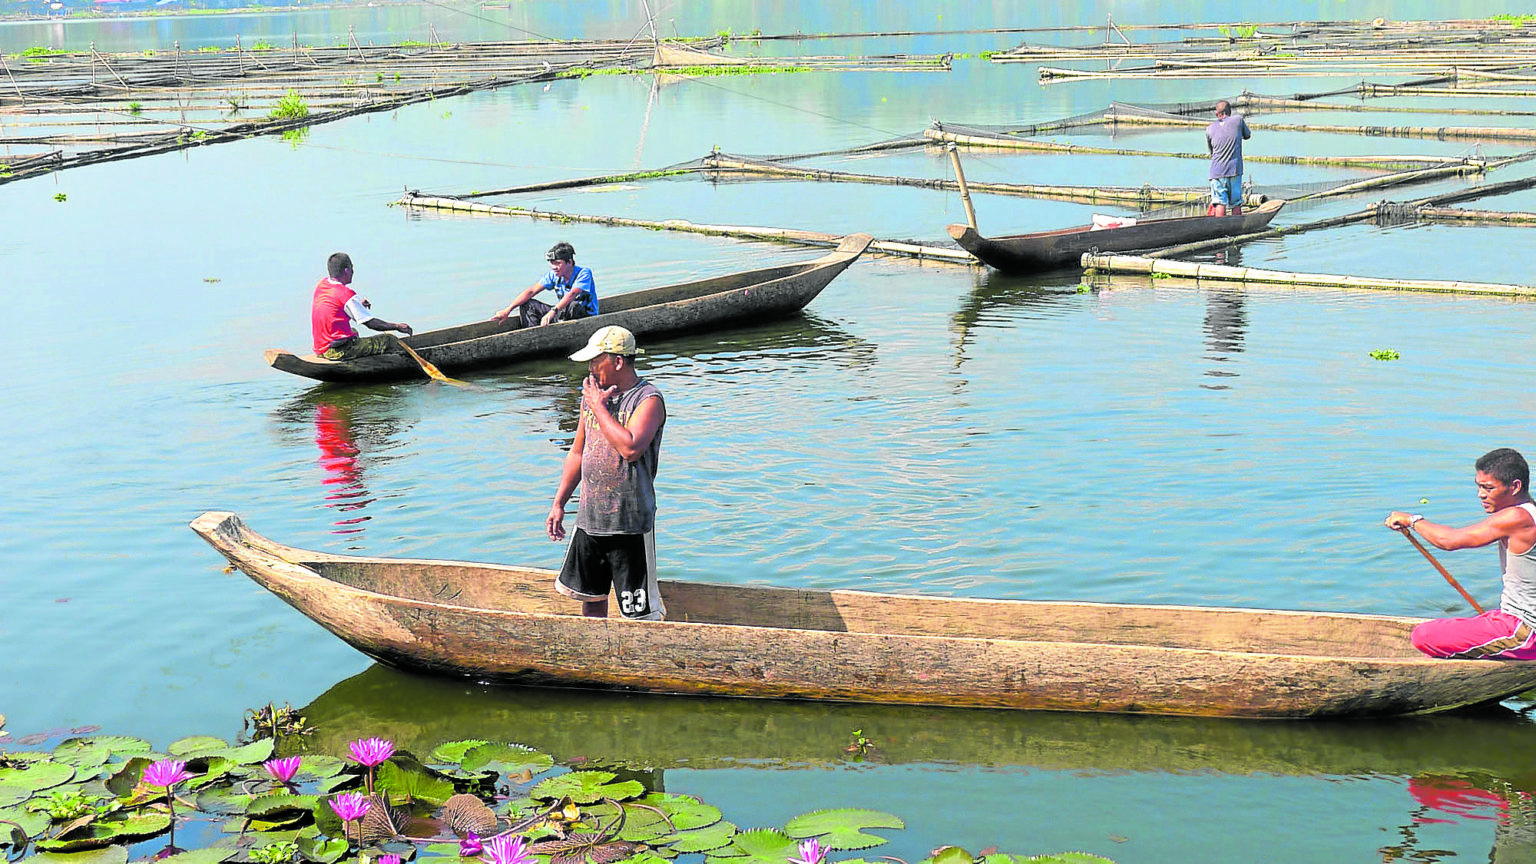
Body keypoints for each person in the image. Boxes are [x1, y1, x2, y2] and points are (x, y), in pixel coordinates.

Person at [546, 325, 667, 620]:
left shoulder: (648, 399)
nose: (590, 368)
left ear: (618, 361)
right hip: (590, 521)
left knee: (638, 614)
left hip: (629, 524)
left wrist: (599, 408)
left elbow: (630, 448)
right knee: (591, 598)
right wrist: (559, 503)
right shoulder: (592, 399)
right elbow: (577, 452)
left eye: (596, 361)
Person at [1385, 448, 1536, 660]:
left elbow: (1449, 541)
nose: (1481, 494)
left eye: (1488, 488)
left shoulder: (1517, 517)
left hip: (1525, 633)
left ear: (1515, 487)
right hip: (1517, 622)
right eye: (1479, 486)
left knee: (1422, 635)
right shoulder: (1530, 510)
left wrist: (1412, 520)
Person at [310, 252, 413, 360]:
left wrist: (359, 304)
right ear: (346, 271)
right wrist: (397, 326)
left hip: (321, 347)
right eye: (352, 268)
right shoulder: (346, 295)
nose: (353, 272)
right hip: (338, 351)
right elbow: (371, 324)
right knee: (389, 340)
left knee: (353, 331)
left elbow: (336, 306)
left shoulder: (322, 284)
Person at [491, 242, 599, 328]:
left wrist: (553, 311)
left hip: (584, 316)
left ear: (569, 262)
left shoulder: (584, 273)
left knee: (573, 305)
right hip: (562, 314)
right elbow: (532, 291)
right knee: (527, 304)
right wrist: (508, 310)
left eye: (558, 263)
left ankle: (566, 331)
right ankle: (534, 334)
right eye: (552, 263)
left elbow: (573, 294)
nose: (554, 267)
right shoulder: (554, 275)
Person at [1205, 99, 1252, 218]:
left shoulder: (1209, 129)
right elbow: (1247, 135)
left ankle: (1220, 226)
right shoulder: (1238, 120)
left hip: (1217, 172)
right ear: (1229, 111)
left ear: (1216, 113)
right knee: (1236, 203)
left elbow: (1212, 152)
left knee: (1220, 202)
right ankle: (1236, 226)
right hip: (1234, 170)